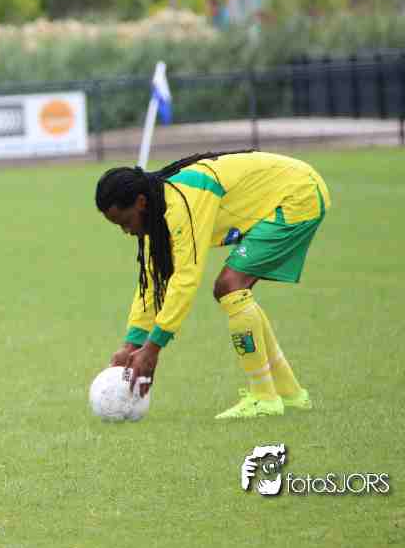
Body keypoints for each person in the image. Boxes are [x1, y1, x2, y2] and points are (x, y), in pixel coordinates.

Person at [94, 150, 332, 419]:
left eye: (126, 222)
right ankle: (290, 394)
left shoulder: (182, 203)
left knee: (230, 286)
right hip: (291, 192)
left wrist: (153, 347)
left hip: (298, 194)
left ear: (140, 202)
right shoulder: (159, 211)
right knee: (233, 290)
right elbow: (152, 282)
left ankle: (264, 397)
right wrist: (132, 344)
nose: (127, 231)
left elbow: (185, 278)